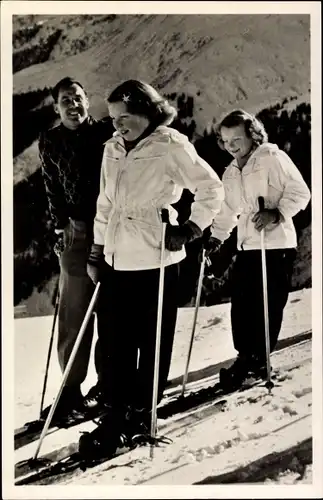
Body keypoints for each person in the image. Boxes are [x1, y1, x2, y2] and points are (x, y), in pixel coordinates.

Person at [78, 79, 225, 460]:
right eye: (112, 118)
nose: (117, 125)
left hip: (155, 258)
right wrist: (96, 251)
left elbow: (211, 188)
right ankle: (113, 413)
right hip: (115, 258)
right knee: (111, 342)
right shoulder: (111, 148)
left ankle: (142, 413)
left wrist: (192, 228)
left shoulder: (169, 145)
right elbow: (105, 203)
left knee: (151, 340)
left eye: (125, 117)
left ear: (148, 112)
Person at [208, 109, 311, 390]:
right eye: (226, 141)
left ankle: (259, 360)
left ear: (252, 136)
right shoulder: (231, 171)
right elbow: (228, 210)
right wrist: (217, 238)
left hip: (275, 244)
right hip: (247, 245)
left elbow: (301, 192)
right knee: (242, 305)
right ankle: (246, 358)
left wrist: (277, 213)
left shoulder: (271, 158)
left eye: (237, 140)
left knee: (267, 304)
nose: (231, 146)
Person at [39, 77, 113, 422]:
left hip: (112, 229)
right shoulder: (50, 140)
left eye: (78, 98)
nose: (73, 104)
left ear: (88, 100)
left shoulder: (106, 133)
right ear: (57, 106)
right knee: (73, 313)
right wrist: (60, 226)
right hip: (76, 232)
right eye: (66, 99)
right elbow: (51, 186)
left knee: (111, 312)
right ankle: (71, 390)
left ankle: (109, 384)